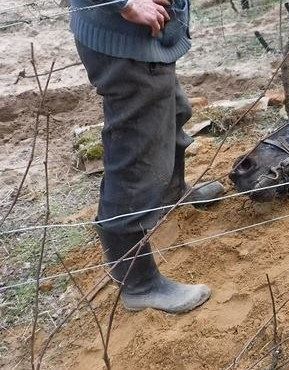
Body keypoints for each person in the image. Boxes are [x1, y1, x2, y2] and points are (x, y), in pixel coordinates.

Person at [70, 0, 220, 313]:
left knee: (174, 111)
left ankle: (170, 193)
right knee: (135, 155)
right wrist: (122, 4)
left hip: (146, 35)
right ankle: (138, 282)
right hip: (123, 35)